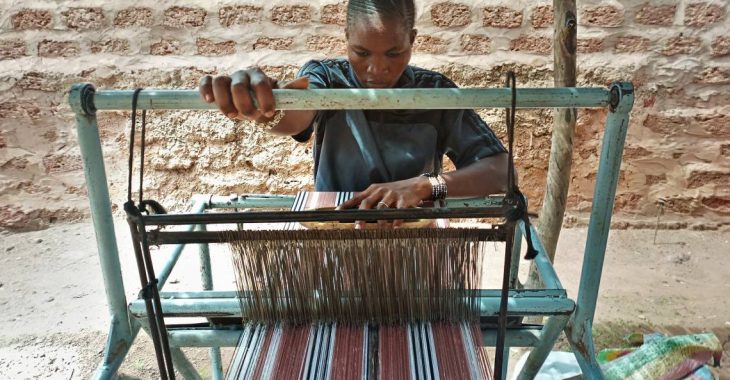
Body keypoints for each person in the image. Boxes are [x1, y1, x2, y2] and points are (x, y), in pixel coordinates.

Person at [199, 0, 508, 227]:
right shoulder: (327, 79)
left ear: (412, 40)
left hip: (412, 247)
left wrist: (425, 185)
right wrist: (265, 109)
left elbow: (502, 171)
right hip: (338, 242)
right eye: (361, 53)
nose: (377, 68)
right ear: (346, 37)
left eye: (393, 53)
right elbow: (297, 114)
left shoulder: (435, 93)